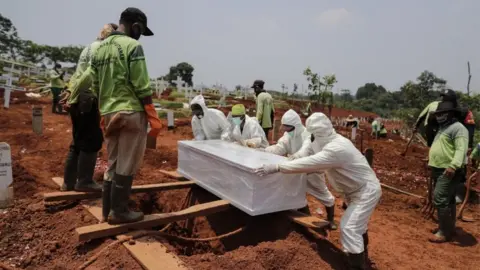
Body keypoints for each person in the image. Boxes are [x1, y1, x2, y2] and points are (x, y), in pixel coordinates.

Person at [255, 113, 381, 269]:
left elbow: (310, 163)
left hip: (365, 191)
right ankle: (362, 257)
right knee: (358, 226)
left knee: (350, 227)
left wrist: (277, 167)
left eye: (313, 135)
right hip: (354, 191)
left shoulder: (336, 148)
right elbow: (304, 154)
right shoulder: (323, 140)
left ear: (319, 133)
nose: (311, 138)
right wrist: (285, 158)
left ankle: (356, 266)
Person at [77, 7, 161, 224]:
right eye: (140, 30)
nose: (140, 34)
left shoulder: (99, 48)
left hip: (109, 112)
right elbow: (141, 84)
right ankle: (120, 211)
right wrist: (151, 114)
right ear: (134, 26)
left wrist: (104, 111)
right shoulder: (133, 46)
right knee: (128, 163)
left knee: (112, 161)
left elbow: (94, 83)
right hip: (131, 112)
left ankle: (107, 212)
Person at [58, 23, 118, 193]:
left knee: (77, 140)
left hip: (78, 98)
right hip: (88, 98)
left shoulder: (88, 48)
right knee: (92, 140)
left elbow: (78, 73)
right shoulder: (103, 49)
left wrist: (71, 92)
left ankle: (68, 183)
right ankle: (84, 181)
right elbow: (89, 74)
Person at [265, 109, 337, 229]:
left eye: (289, 129)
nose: (287, 132)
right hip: (295, 170)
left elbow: (305, 152)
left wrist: (294, 159)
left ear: (296, 126)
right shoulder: (288, 135)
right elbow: (280, 147)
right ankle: (304, 216)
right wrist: (264, 150)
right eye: (286, 129)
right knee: (296, 193)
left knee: (324, 195)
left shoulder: (308, 136)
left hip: (311, 171)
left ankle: (331, 220)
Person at [427, 101, 468, 243]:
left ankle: (444, 231)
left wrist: (453, 165)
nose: (439, 116)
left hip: (448, 169)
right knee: (448, 199)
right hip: (438, 168)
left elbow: (461, 149)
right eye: (438, 114)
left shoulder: (458, 128)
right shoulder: (443, 128)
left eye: (442, 113)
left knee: (439, 197)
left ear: (452, 114)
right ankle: (449, 228)